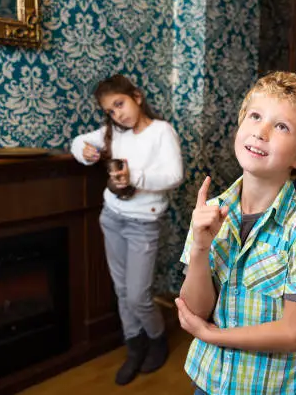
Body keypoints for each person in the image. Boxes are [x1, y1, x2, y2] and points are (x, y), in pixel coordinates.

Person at [176, 71, 296, 395]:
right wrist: (200, 250)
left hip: (266, 387)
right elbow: (195, 312)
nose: (260, 132)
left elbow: (295, 334)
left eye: (281, 126)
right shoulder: (212, 211)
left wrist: (213, 336)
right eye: (255, 116)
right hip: (208, 382)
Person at [70, 74, 184, 385]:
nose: (116, 114)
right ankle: (134, 347)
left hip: (143, 223)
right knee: (121, 291)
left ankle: (157, 338)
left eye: (119, 104)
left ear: (136, 95)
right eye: (109, 110)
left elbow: (175, 175)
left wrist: (135, 176)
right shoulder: (112, 132)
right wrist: (86, 152)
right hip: (112, 217)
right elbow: (78, 143)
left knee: (137, 295)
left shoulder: (162, 132)